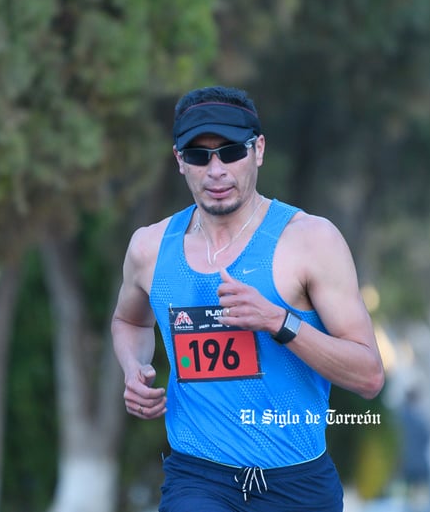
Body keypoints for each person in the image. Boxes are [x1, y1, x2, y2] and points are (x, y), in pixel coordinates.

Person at [110, 85, 385, 511]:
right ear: (180, 161)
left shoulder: (310, 241)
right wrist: (134, 367)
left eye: (230, 152)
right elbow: (130, 321)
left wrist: (279, 322)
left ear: (258, 150)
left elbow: (368, 377)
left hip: (296, 481)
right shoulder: (149, 248)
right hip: (198, 477)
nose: (215, 170)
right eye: (199, 156)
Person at [397, 388, 430, 512]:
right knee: (424, 501)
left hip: (406, 466)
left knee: (409, 501)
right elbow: (427, 437)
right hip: (421, 466)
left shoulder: (398, 418)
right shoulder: (419, 418)